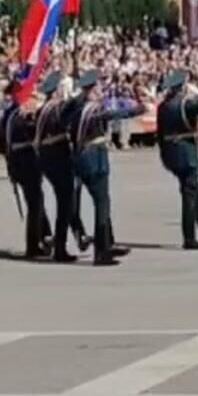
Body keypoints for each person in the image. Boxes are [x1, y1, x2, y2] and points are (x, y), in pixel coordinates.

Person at [64, 72, 144, 266]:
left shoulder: (76, 109)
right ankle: (101, 251)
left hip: (82, 158)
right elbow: (110, 115)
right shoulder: (91, 110)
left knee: (103, 201)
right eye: (98, 88)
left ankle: (108, 242)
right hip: (94, 159)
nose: (101, 92)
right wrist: (136, 111)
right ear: (91, 90)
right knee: (102, 203)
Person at [156, 70, 198, 251]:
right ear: (183, 86)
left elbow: (160, 134)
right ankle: (189, 237)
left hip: (171, 153)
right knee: (189, 194)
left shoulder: (163, 106)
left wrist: (164, 155)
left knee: (193, 189)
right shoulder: (187, 104)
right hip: (186, 153)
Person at [35, 72, 90, 262]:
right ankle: (60, 247)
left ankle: (74, 237)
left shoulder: (43, 109)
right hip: (58, 159)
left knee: (66, 203)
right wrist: (82, 95)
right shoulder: (55, 109)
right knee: (65, 204)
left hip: (47, 158)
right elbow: (68, 115)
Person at [0, 78, 51, 259]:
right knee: (35, 204)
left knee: (38, 202)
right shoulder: (16, 115)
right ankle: (33, 245)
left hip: (21, 163)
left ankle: (45, 236)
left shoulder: (10, 114)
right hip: (24, 164)